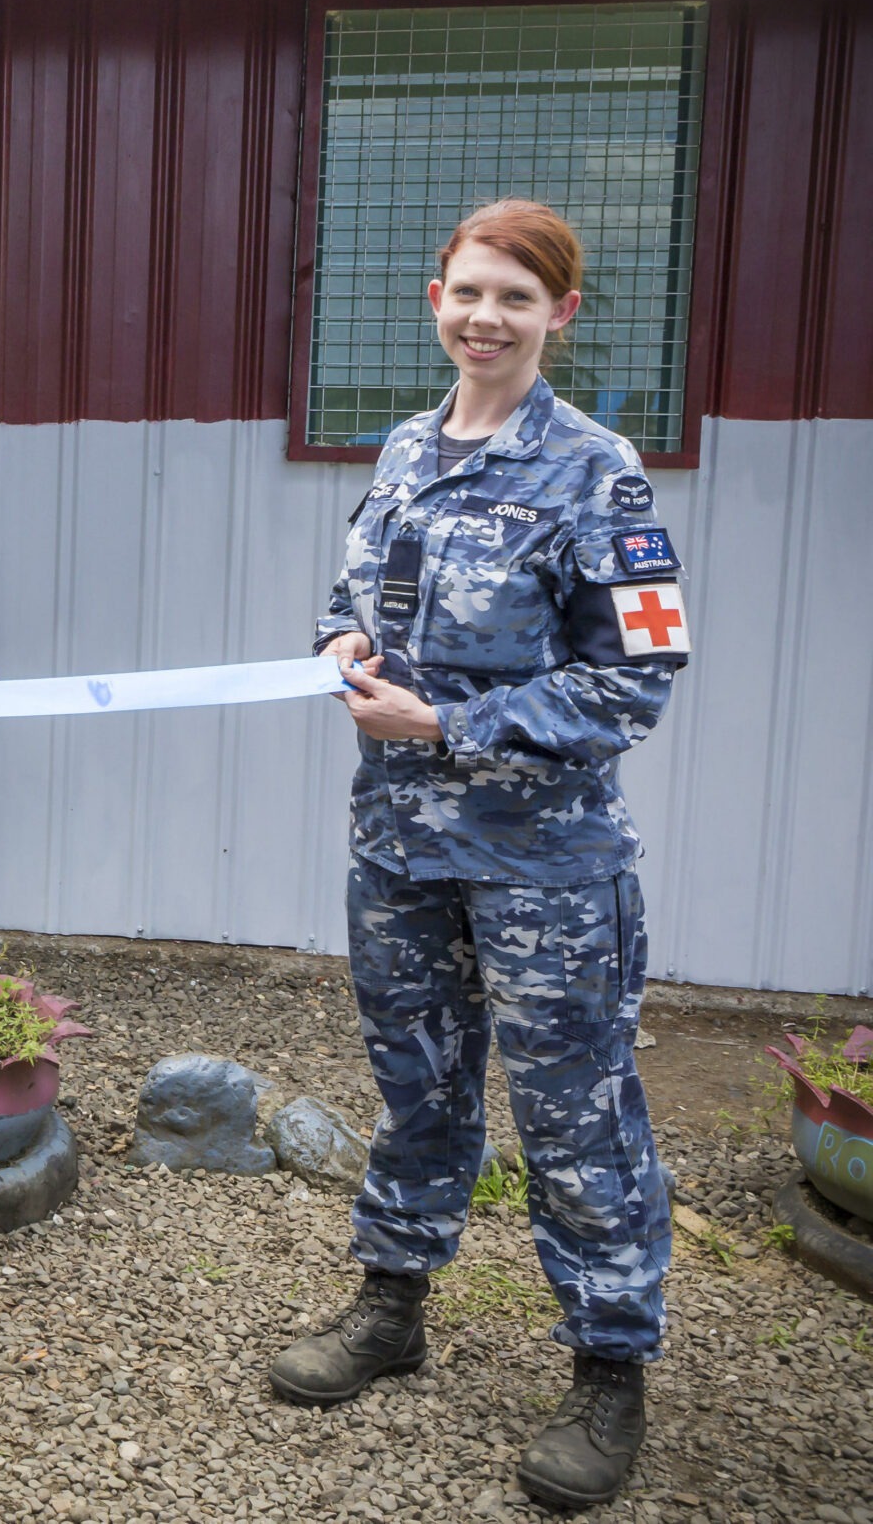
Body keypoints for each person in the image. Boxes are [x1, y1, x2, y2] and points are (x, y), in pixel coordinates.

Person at [273, 199, 684, 1508]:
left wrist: (448, 717)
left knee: (575, 1116)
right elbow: (358, 592)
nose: (485, 317)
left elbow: (641, 677)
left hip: (546, 866)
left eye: (516, 296)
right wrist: (339, 639)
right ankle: (392, 1304)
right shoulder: (403, 446)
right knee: (420, 1087)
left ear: (560, 313)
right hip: (401, 847)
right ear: (433, 299)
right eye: (467, 291)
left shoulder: (601, 472)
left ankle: (609, 1369)